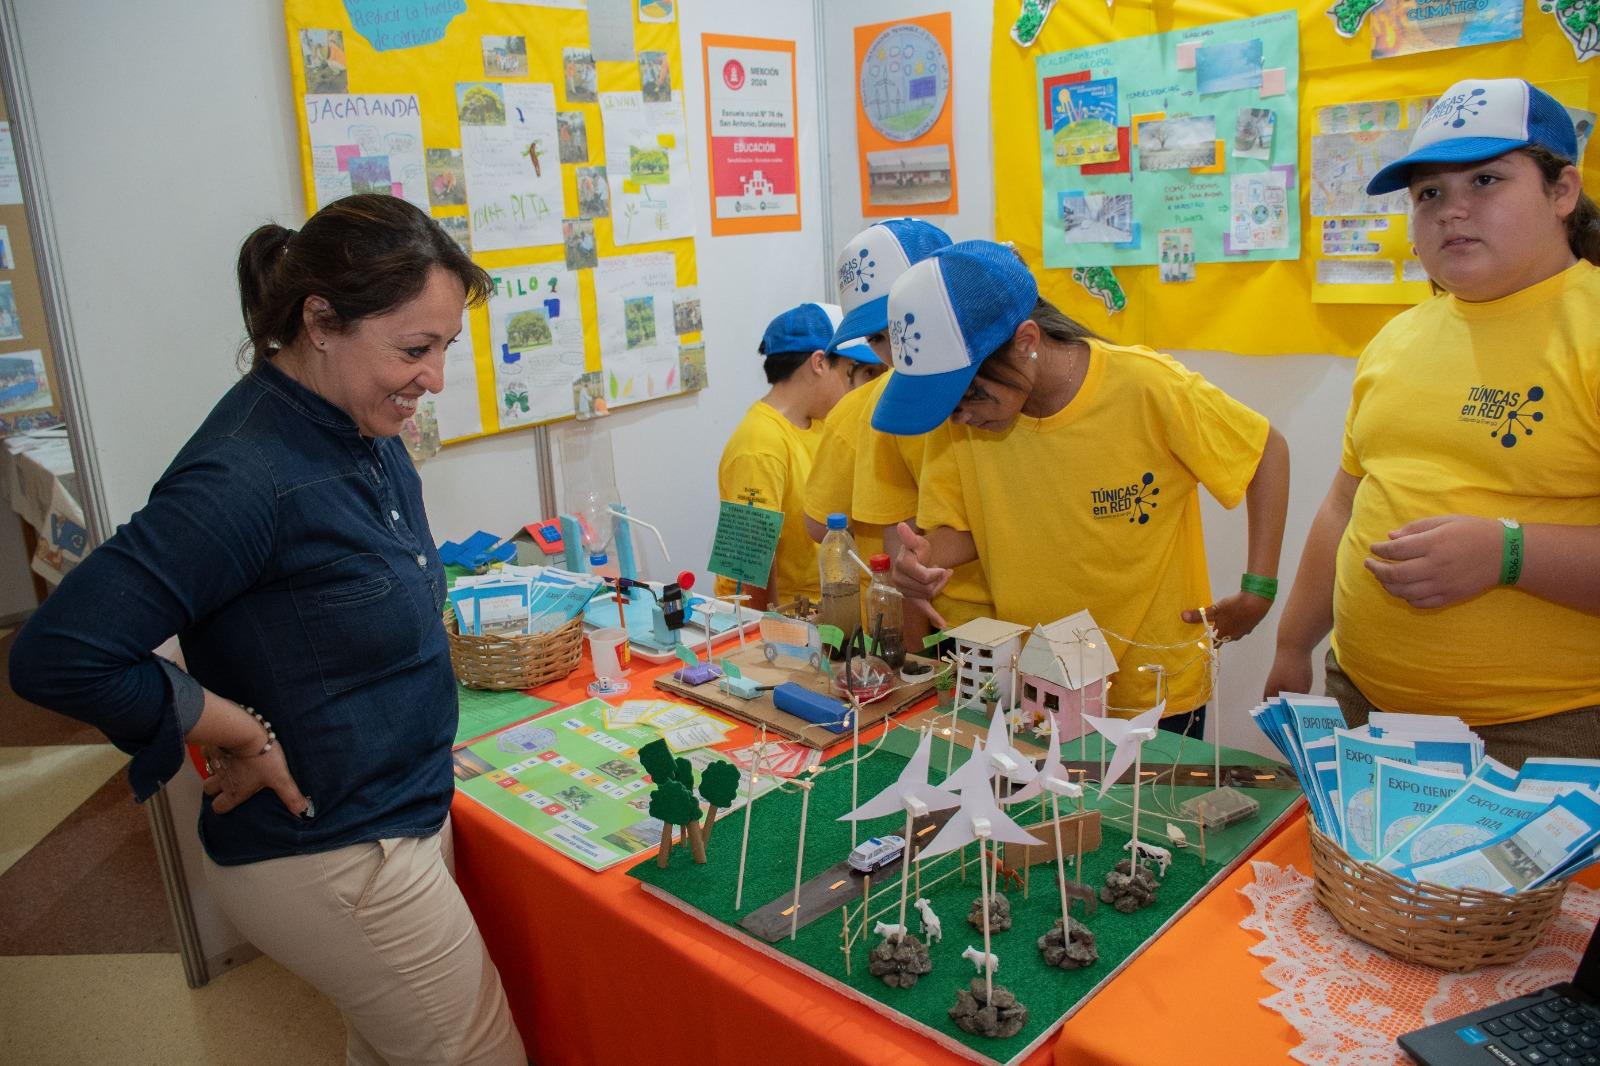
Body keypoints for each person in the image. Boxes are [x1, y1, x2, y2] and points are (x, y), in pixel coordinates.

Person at [8, 194, 526, 1065]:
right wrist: (234, 728)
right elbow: (61, 654)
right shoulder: (245, 475)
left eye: (444, 349)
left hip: (392, 814)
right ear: (320, 321)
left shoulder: (359, 426)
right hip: (339, 849)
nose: (436, 379)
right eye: (415, 349)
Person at [1265, 79, 1600, 767]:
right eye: (1430, 194)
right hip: (1360, 705)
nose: (1453, 211)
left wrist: (1508, 554)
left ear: (1562, 192)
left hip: (1539, 733)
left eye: (1486, 179)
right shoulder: (1398, 338)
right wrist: (1293, 646)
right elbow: (1342, 507)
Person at [879, 240, 1290, 734]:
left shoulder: (1145, 387)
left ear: (1026, 340)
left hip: (1152, 687)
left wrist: (1258, 590)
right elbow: (965, 530)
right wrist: (924, 558)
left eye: (967, 395)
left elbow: (1266, 452)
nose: (959, 415)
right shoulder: (967, 424)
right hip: (1039, 683)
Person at [802, 218, 995, 648]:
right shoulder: (878, 412)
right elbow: (897, 542)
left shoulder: (999, 395)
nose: (895, 349)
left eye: (906, 324)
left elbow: (822, 524)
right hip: (949, 633)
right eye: (877, 336)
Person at [716, 302, 880, 611]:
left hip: (825, 607)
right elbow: (749, 565)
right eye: (850, 374)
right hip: (781, 618)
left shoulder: (819, 426)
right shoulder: (758, 445)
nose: (853, 390)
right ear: (819, 362)